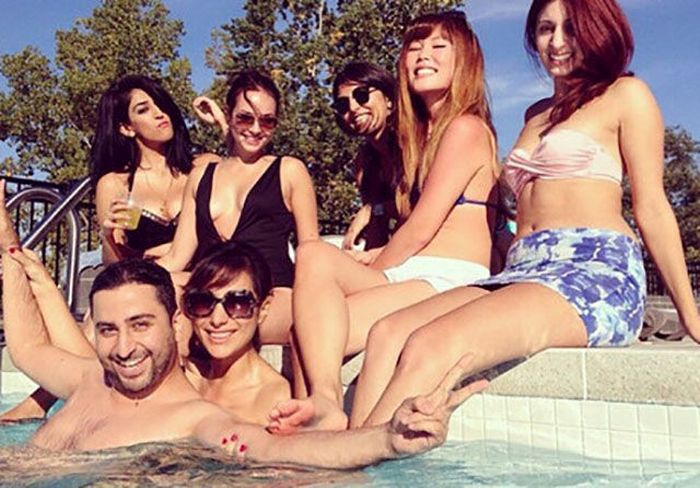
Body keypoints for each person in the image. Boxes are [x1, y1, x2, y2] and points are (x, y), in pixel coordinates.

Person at [350, 0, 700, 428]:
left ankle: (360, 456)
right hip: (521, 269)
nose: (557, 42)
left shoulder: (625, 95)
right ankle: (347, 447)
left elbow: (653, 208)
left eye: (571, 29)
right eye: (545, 29)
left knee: (431, 343)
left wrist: (691, 316)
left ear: (599, 31)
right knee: (387, 333)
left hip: (591, 271)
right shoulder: (534, 115)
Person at [0, 180, 487, 463]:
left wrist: (385, 439)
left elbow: (275, 451)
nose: (124, 347)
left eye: (141, 325)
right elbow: (27, 349)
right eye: (108, 330)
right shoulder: (93, 379)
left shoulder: (195, 419)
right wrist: (10, 248)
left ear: (173, 322)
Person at [270, 11, 500, 433]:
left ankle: (326, 418)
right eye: (414, 47)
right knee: (312, 267)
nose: (423, 55)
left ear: (464, 60)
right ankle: (323, 411)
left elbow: (421, 227)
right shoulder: (420, 138)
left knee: (313, 319)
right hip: (413, 272)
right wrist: (372, 238)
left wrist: (374, 266)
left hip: (449, 277)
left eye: (438, 46)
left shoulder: (466, 129)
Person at [155, 70, 319, 345]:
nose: (255, 129)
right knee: (137, 293)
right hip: (211, 292)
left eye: (267, 121)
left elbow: (310, 251)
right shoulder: (201, 176)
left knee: (188, 326)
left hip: (271, 292)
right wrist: (123, 276)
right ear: (229, 114)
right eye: (245, 118)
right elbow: (177, 258)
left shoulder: (289, 171)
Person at [91, 74, 221, 264]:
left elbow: (247, 197)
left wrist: (223, 124)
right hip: (149, 279)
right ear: (126, 128)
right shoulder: (115, 184)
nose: (159, 113)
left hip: (209, 274)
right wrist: (108, 236)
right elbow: (114, 267)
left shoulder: (205, 166)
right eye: (143, 110)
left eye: (160, 104)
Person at [178, 241, 290, 424]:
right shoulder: (182, 378)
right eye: (202, 302)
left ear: (263, 308)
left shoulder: (274, 402)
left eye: (238, 304)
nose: (217, 320)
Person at [332, 62, 401, 251]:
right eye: (342, 105)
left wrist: (374, 209)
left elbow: (426, 208)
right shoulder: (365, 162)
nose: (353, 108)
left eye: (361, 95)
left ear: (389, 100)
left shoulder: (414, 143)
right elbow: (377, 228)